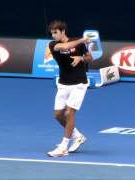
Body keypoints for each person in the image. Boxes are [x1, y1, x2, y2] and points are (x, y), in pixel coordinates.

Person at [47, 20, 93, 157]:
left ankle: (63, 147)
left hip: (79, 83)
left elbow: (90, 57)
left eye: (55, 32)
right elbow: (65, 46)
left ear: (63, 31)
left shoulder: (77, 43)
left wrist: (81, 58)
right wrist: (82, 40)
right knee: (58, 115)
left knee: (69, 112)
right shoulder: (53, 45)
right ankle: (78, 136)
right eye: (52, 33)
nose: (53, 36)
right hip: (63, 84)